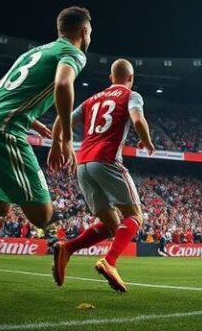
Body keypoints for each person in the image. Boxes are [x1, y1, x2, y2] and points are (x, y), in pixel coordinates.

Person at [0, 6, 91, 229]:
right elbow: (63, 84)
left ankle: (7, 188)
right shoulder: (74, 53)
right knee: (43, 216)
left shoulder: (31, 54)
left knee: (1, 209)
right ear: (84, 31)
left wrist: (35, 123)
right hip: (3, 131)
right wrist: (65, 139)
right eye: (90, 33)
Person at [50, 59, 155, 293]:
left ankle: (67, 248)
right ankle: (109, 262)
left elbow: (60, 120)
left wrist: (58, 143)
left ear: (110, 78)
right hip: (107, 160)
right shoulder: (131, 95)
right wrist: (146, 141)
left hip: (83, 165)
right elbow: (138, 119)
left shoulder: (91, 100)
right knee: (134, 216)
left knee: (111, 225)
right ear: (131, 78)